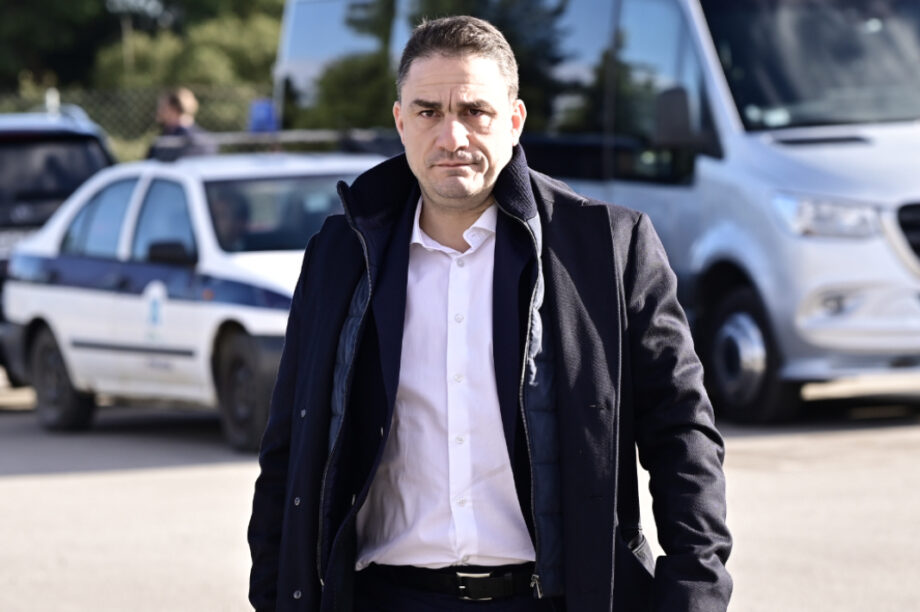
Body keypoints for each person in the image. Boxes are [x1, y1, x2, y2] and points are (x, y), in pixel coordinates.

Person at [248, 15, 732, 612]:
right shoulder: (340, 255)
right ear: (400, 122)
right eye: (428, 112)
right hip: (385, 597)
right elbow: (289, 445)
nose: (451, 136)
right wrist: (272, 592)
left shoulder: (608, 247)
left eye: (475, 111)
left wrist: (693, 593)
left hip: (555, 598)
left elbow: (682, 434)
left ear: (514, 120)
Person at [146, 87, 216, 161]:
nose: (159, 111)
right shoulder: (164, 136)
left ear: (174, 109)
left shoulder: (194, 141)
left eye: (162, 107)